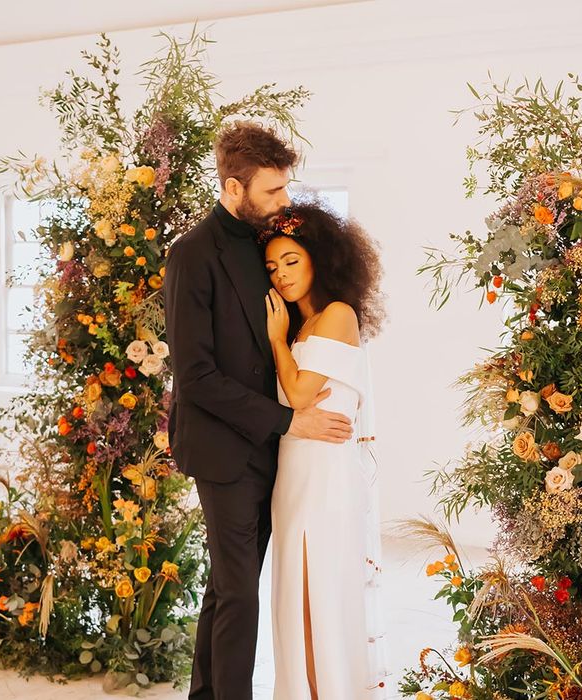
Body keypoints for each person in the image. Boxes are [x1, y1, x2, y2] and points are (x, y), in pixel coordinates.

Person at [163, 122, 354, 700]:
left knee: (228, 588)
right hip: (223, 448)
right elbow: (195, 378)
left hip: (276, 452)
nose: (284, 201)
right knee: (241, 592)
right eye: (272, 191)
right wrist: (290, 420)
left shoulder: (270, 242)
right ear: (232, 188)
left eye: (285, 188)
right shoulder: (192, 255)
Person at [261, 200, 390, 698]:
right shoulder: (297, 329)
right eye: (272, 267)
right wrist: (282, 339)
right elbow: (294, 401)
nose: (281, 275)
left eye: (291, 261)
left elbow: (296, 395)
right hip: (292, 478)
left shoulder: (338, 315)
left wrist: (276, 340)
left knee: (324, 604)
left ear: (320, 259)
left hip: (329, 479)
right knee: (298, 605)